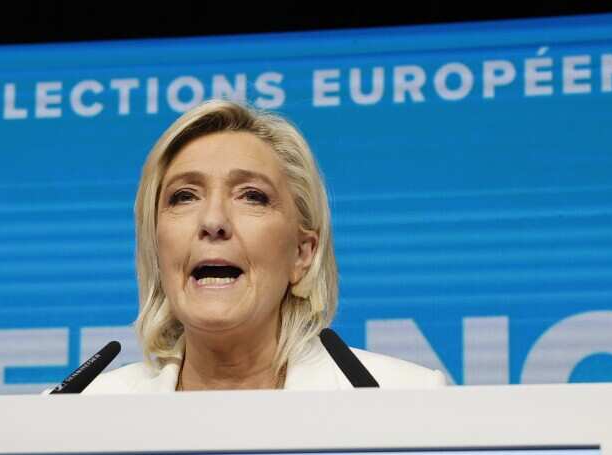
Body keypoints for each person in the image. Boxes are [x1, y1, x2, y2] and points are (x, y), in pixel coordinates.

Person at [86, 100, 445, 392]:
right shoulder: (78, 415)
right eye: (184, 196)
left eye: (252, 196)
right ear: (157, 248)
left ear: (302, 254)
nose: (213, 221)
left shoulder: (403, 399)